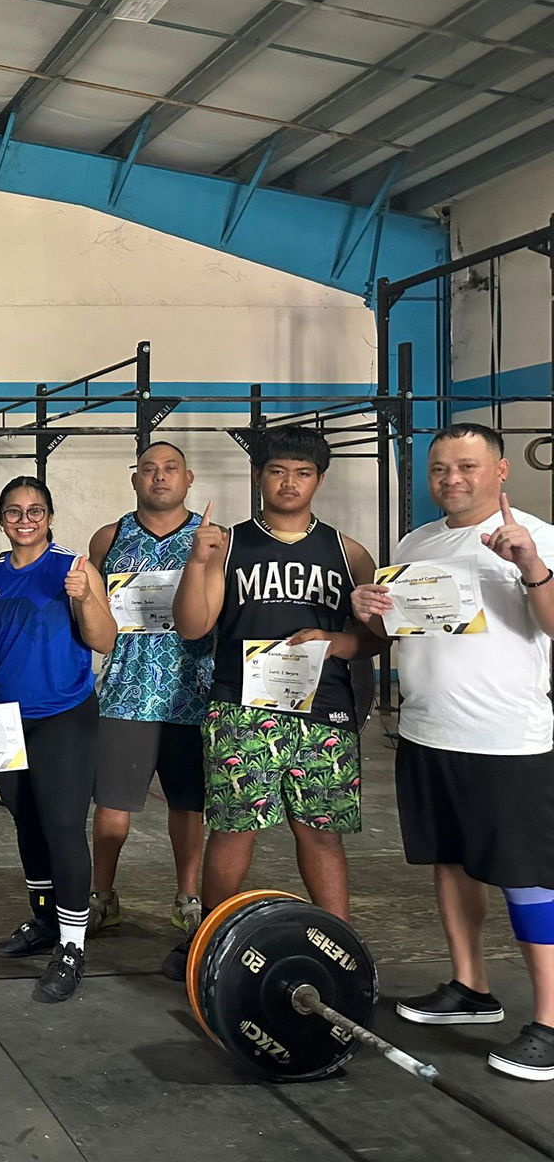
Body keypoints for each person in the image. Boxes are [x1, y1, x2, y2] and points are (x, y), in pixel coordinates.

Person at [350, 424, 554, 1080]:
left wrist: (531, 568)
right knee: (450, 863)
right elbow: (400, 626)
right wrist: (367, 608)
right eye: (440, 468)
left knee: (529, 875)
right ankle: (471, 989)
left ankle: (551, 1021)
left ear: (500, 471)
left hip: (508, 741)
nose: (451, 479)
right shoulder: (417, 543)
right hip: (429, 733)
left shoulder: (537, 536)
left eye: (466, 466)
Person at [163, 426, 377, 980]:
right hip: (242, 707)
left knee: (320, 830)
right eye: (278, 471)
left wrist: (335, 643)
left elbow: (376, 640)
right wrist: (196, 563)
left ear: (320, 480)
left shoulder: (347, 552)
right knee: (235, 828)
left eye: (303, 473)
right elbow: (192, 627)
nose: (290, 482)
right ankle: (210, 937)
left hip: (323, 710)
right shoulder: (228, 543)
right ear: (259, 476)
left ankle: (342, 947)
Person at [0, 477, 116, 1002]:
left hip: (63, 714)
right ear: (2, 519)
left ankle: (73, 946)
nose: (24, 519)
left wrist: (86, 598)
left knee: (62, 825)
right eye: (14, 511)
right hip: (4, 719)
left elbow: (104, 639)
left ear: (49, 516)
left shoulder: (73, 568)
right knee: (25, 819)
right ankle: (45, 921)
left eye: (35, 510)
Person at [84, 442, 213, 937]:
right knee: (112, 809)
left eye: (170, 469)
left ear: (189, 478)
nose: (160, 477)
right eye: (149, 469)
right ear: (134, 478)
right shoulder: (109, 537)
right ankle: (102, 894)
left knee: (188, 806)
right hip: (124, 692)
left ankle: (187, 896)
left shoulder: (210, 538)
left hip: (191, 694)